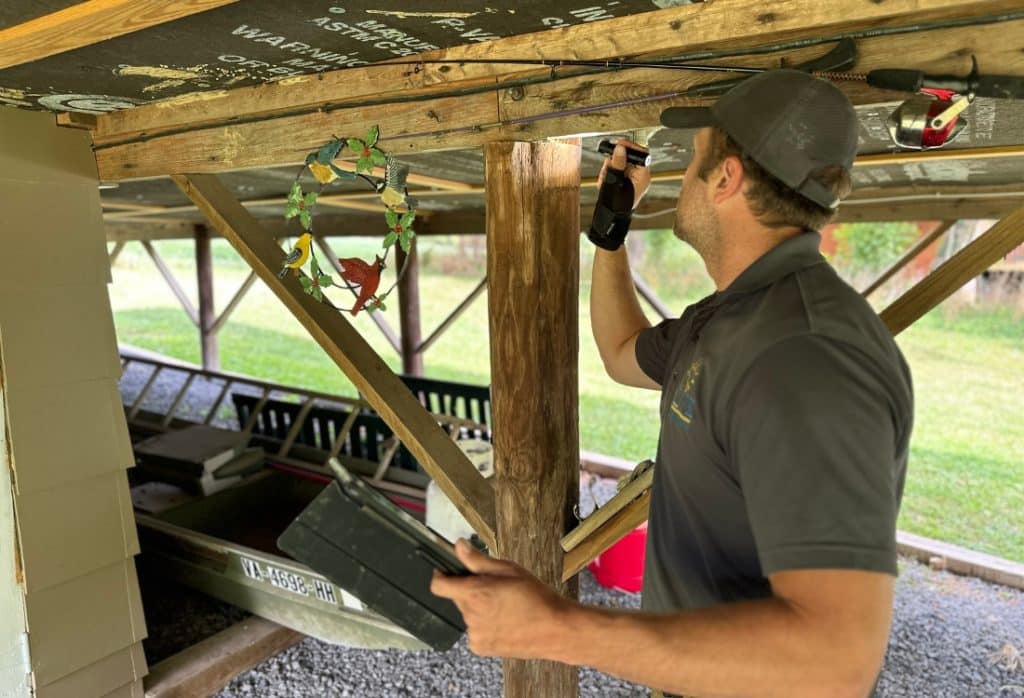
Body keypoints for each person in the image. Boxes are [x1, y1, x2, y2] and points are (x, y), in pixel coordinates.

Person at [431, 69, 913, 698]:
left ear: (727, 178)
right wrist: (611, 227)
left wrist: (555, 627)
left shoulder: (804, 355)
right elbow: (623, 353)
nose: (681, 176)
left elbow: (836, 660)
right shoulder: (735, 316)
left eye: (694, 159)